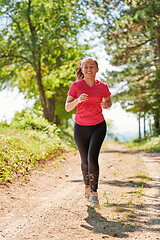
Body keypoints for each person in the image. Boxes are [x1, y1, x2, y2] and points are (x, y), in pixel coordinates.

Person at [65, 57, 112, 207]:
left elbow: (108, 101)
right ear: (82, 69)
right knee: (85, 161)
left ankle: (94, 193)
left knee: (92, 159)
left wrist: (106, 104)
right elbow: (67, 107)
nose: (89, 69)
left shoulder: (102, 86)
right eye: (86, 67)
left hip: (98, 125)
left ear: (97, 70)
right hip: (80, 127)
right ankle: (87, 186)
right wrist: (78, 100)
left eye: (92, 67)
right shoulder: (76, 86)